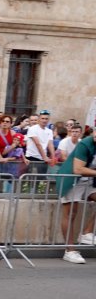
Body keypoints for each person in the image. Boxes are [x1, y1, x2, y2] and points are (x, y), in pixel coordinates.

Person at [56, 130, 96, 264]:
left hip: (89, 180)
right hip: (71, 179)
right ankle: (69, 251)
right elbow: (78, 169)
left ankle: (87, 233)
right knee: (71, 213)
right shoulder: (85, 143)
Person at [23, 110, 56, 176]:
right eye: (42, 118)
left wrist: (53, 157)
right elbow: (37, 144)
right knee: (30, 179)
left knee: (41, 179)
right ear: (39, 119)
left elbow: (50, 144)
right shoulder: (32, 129)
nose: (44, 120)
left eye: (46, 119)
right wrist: (44, 157)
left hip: (42, 158)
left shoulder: (49, 131)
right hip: (32, 157)